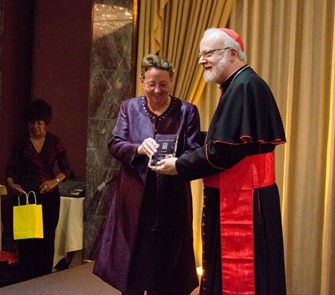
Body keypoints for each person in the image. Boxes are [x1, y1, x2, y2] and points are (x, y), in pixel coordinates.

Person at [154, 28, 287, 294]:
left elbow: (223, 151)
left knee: (240, 276)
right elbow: (224, 139)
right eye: (201, 54)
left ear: (232, 54)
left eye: (209, 53)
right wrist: (184, 144)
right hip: (244, 197)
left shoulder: (245, 86)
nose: (202, 60)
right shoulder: (239, 85)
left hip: (243, 203)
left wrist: (179, 165)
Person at [93, 54, 201, 295]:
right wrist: (138, 148)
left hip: (171, 199)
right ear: (142, 81)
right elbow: (114, 144)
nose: (157, 90)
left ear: (172, 81)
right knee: (133, 264)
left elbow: (194, 151)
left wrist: (177, 162)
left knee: (169, 264)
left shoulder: (187, 111)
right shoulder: (129, 108)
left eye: (163, 84)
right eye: (151, 84)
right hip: (134, 199)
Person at [6, 98, 71, 281]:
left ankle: (44, 279)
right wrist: (12, 185)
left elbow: (66, 169)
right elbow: (10, 169)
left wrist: (54, 181)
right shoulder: (21, 143)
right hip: (26, 197)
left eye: (39, 123)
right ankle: (26, 279)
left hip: (49, 197)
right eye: (32, 123)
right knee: (27, 242)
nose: (36, 126)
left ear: (45, 123)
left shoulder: (54, 142)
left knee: (46, 239)